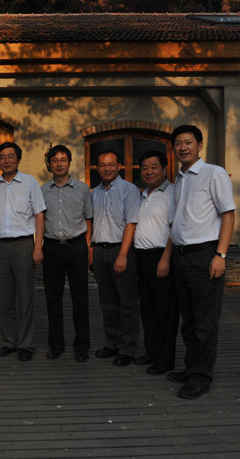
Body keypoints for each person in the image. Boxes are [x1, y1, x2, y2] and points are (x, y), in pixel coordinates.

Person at [167, 125, 235, 400]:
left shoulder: (214, 173)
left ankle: (201, 377)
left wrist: (220, 255)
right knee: (189, 319)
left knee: (205, 321)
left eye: (188, 142)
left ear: (199, 145)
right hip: (181, 257)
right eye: (178, 143)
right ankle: (192, 367)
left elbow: (228, 215)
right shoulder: (180, 178)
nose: (183, 147)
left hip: (205, 255)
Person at [0, 142, 46, 362]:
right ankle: (9, 341)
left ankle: (26, 344)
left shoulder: (30, 182)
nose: (6, 160)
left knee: (25, 297)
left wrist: (38, 246)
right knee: (4, 298)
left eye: (11, 156)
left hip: (23, 245)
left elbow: (39, 215)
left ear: (18, 159)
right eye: (2, 157)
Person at [41, 145, 93, 362]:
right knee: (53, 299)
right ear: (49, 164)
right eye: (55, 160)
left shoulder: (82, 189)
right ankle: (56, 344)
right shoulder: (42, 190)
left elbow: (89, 219)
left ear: (70, 162)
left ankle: (82, 345)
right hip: (51, 246)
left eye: (63, 159)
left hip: (76, 245)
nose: (59, 164)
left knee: (80, 298)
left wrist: (88, 247)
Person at [90, 149, 140, 367]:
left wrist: (123, 254)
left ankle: (127, 348)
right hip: (99, 251)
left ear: (119, 166)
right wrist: (91, 251)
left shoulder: (129, 189)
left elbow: (131, 223)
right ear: (97, 168)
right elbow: (90, 223)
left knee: (127, 302)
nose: (107, 168)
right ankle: (112, 343)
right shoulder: (94, 193)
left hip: (121, 250)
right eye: (102, 164)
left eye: (111, 164)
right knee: (107, 303)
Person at [134, 150, 178, 376]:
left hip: (161, 257)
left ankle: (165, 359)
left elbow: (174, 228)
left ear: (164, 169)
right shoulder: (142, 195)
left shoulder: (172, 193)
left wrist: (166, 258)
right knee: (148, 310)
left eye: (153, 167)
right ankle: (151, 352)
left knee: (165, 311)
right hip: (141, 258)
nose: (149, 171)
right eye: (144, 167)